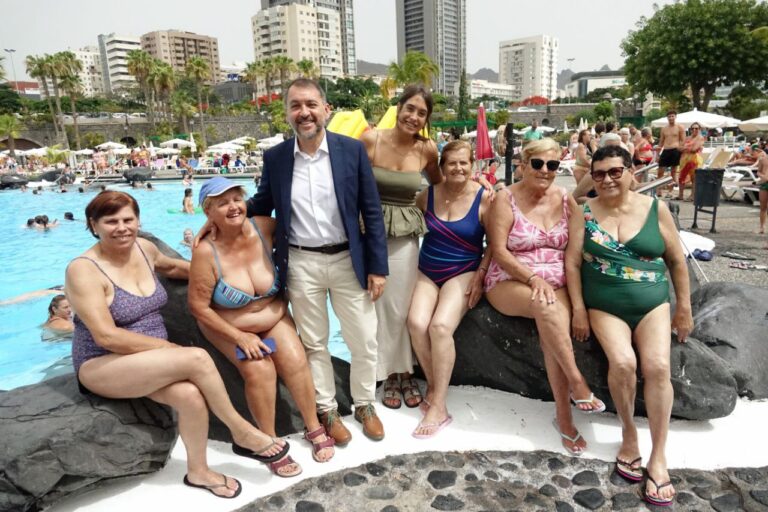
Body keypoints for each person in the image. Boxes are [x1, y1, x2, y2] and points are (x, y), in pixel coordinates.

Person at [67, 190, 288, 499]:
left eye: (128, 219)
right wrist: (170, 351)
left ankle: (198, 471)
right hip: (102, 363)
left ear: (138, 221)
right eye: (111, 222)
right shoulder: (83, 270)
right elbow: (106, 336)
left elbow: (172, 268)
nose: (122, 228)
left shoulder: (143, 248)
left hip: (149, 363)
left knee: (190, 395)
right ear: (94, 225)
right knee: (197, 358)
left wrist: (220, 275)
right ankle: (241, 430)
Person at [242, 78, 389, 445]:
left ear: (326, 109)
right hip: (301, 261)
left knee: (364, 338)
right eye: (295, 105)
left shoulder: (351, 151)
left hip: (347, 259)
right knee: (314, 342)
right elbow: (262, 203)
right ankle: (328, 409)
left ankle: (365, 404)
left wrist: (378, 267)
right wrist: (223, 214)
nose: (303, 112)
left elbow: (371, 211)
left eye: (310, 104)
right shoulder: (276, 158)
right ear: (287, 113)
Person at [565, 145, 693, 506]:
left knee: (658, 367)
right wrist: (578, 309)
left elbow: (677, 261)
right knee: (623, 363)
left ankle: (659, 455)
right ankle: (629, 434)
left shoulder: (655, 208)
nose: (607, 179)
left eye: (615, 171)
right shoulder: (584, 212)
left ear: (631, 172)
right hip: (605, 304)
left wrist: (684, 308)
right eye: (599, 173)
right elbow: (572, 262)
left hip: (652, 303)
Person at [188, 177, 335, 477]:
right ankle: (269, 441)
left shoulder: (264, 228)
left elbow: (304, 224)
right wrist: (239, 337)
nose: (233, 207)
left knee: (295, 359)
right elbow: (199, 307)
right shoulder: (206, 251)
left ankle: (313, 425)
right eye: (222, 203)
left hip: (272, 315)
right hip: (228, 325)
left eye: (236, 199)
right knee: (260, 369)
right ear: (208, 212)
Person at [484, 138, 605, 456]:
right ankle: (577, 383)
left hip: (557, 281)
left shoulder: (565, 199)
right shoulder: (505, 198)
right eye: (537, 164)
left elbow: (574, 255)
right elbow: (499, 251)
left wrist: (579, 306)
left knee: (554, 328)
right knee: (547, 309)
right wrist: (532, 278)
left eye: (552, 165)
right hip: (512, 278)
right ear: (523, 165)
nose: (545, 170)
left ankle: (564, 417)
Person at [360, 85, 441, 411]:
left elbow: (440, 185)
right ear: (398, 107)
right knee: (376, 306)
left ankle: (404, 372)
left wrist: (480, 191)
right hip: (369, 232)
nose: (414, 117)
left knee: (400, 307)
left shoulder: (427, 149)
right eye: (410, 108)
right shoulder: (371, 140)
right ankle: (388, 373)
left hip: (404, 236)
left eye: (422, 113)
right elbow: (350, 184)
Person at [407, 140, 491, 438]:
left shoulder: (485, 199)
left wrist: (481, 274)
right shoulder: (427, 195)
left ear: (472, 165)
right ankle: (434, 385)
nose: (458, 168)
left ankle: (439, 405)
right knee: (416, 323)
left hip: (464, 271)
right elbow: (404, 217)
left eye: (463, 162)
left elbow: (496, 243)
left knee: (440, 327)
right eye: (452, 163)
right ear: (442, 167)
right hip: (427, 269)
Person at [657, 111, 686, 198]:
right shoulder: (664, 128)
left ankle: (670, 191)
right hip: (666, 149)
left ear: (675, 117)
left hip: (675, 149)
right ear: (667, 118)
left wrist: (680, 149)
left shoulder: (680, 127)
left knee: (673, 171)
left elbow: (683, 140)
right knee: (660, 171)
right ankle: (659, 190)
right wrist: (658, 153)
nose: (671, 118)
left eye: (672, 116)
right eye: (669, 116)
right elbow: (661, 141)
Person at [677, 123, 705, 201]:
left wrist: (685, 148)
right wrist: (687, 148)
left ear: (699, 129)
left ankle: (692, 196)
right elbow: (678, 148)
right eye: (692, 128)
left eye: (696, 128)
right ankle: (680, 195)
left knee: (693, 178)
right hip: (684, 159)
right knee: (681, 177)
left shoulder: (700, 138)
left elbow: (694, 149)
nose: (694, 130)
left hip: (694, 159)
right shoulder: (687, 137)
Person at [755, 145, 768, 234]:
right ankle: (762, 226)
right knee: (763, 206)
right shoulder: (763, 159)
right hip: (764, 183)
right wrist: (763, 176)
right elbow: (758, 171)